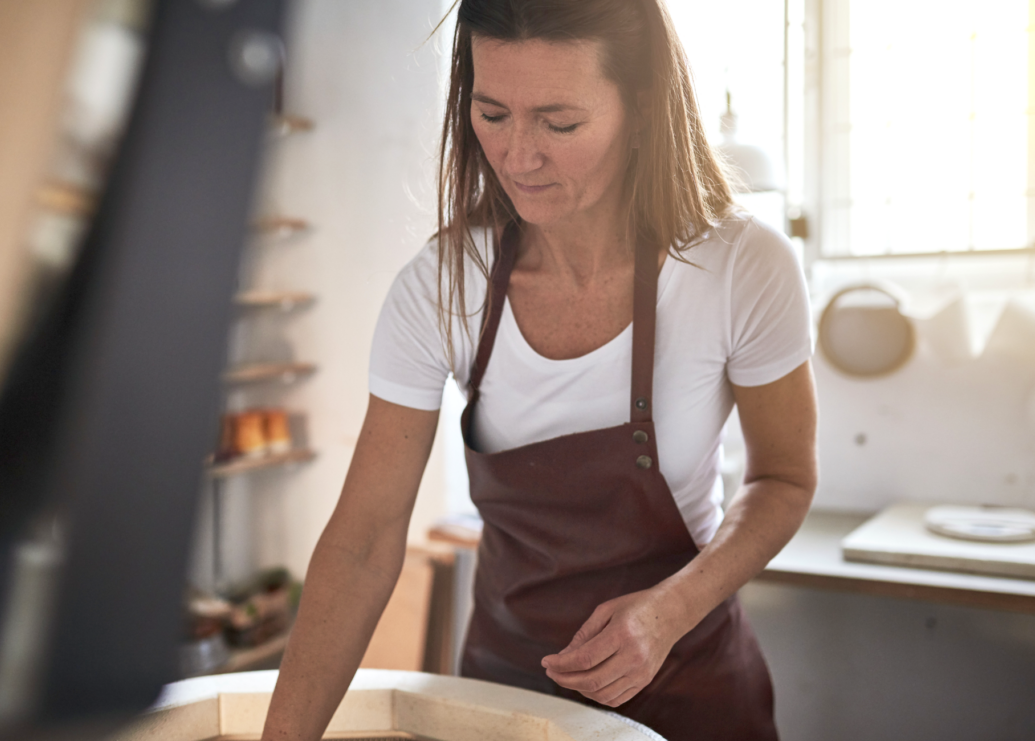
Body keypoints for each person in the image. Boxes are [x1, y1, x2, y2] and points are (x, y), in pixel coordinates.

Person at [261, 1, 817, 739]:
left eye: (560, 124)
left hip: (692, 689)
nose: (518, 156)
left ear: (643, 106)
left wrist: (671, 608)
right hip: (505, 702)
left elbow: (784, 479)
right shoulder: (442, 285)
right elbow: (363, 541)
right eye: (491, 113)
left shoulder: (741, 266)